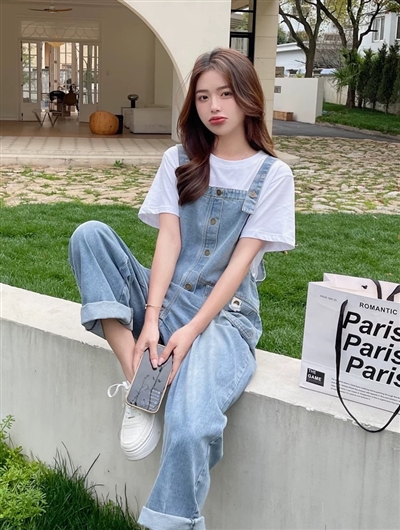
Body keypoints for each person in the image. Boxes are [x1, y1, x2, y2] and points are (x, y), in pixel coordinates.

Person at [68, 47, 295, 530]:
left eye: (226, 94)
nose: (214, 106)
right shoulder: (178, 159)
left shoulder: (273, 175)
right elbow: (169, 240)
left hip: (224, 317)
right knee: (89, 236)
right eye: (204, 97)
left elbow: (239, 264)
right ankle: (139, 383)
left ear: (248, 98)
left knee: (191, 427)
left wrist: (190, 331)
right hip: (166, 298)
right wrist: (151, 318)